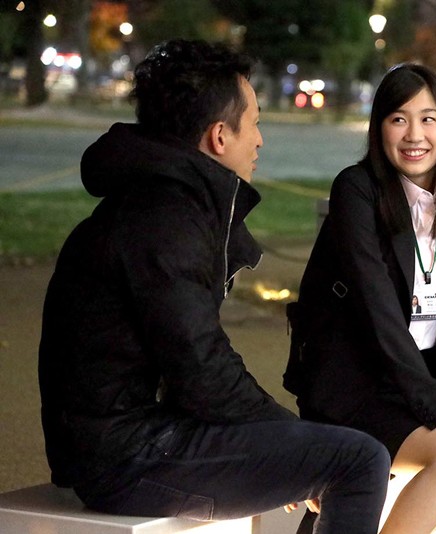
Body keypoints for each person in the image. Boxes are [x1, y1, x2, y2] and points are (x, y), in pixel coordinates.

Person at [38, 39, 391, 533]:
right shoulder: (165, 220)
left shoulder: (155, 202)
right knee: (358, 460)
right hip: (125, 454)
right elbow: (200, 368)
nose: (260, 141)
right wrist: (293, 440)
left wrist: (293, 445)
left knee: (328, 453)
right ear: (220, 136)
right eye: (255, 123)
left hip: (122, 439)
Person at [284, 63, 436, 533]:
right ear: (379, 128)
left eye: (428, 119)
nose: (415, 134)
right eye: (399, 119)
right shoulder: (357, 189)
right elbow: (374, 307)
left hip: (425, 382)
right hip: (358, 381)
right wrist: (433, 400)